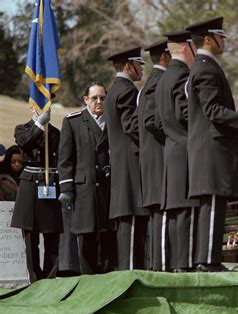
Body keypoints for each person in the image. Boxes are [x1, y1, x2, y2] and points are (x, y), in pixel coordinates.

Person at [185, 17, 238, 271]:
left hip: (207, 149)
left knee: (211, 207)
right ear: (209, 39)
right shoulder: (206, 68)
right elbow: (213, 110)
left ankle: (206, 259)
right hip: (212, 149)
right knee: (212, 205)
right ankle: (208, 261)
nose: (224, 42)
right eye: (221, 37)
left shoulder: (201, 67)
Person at [58, 82, 117, 274]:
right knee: (87, 238)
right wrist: (66, 188)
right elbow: (65, 159)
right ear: (86, 100)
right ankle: (88, 283)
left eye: (102, 98)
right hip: (85, 190)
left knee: (108, 238)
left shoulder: (113, 120)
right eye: (94, 98)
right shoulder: (73, 121)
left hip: (109, 190)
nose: (99, 102)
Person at [155, 31, 200, 272]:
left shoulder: (164, 78)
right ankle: (185, 265)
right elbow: (188, 114)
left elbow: (159, 120)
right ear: (185, 48)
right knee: (186, 212)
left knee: (175, 212)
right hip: (185, 151)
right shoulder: (183, 76)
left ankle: (175, 264)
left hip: (171, 149)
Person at [104, 47, 149, 270]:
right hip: (130, 170)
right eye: (139, 65)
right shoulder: (127, 91)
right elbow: (132, 126)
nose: (142, 69)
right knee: (132, 230)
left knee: (128, 230)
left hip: (122, 169)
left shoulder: (114, 90)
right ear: (129, 66)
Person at [10, 107, 62, 282]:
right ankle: (34, 279)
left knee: (52, 237)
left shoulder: (56, 133)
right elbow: (25, 142)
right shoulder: (22, 129)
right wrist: (39, 124)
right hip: (30, 185)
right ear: (32, 107)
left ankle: (50, 278)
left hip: (50, 183)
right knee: (31, 240)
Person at [135, 39, 169, 271]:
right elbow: (151, 120)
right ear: (165, 57)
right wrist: (174, 135)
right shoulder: (158, 81)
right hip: (158, 158)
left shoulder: (151, 81)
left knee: (159, 217)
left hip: (153, 159)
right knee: (161, 215)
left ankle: (159, 265)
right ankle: (161, 267)